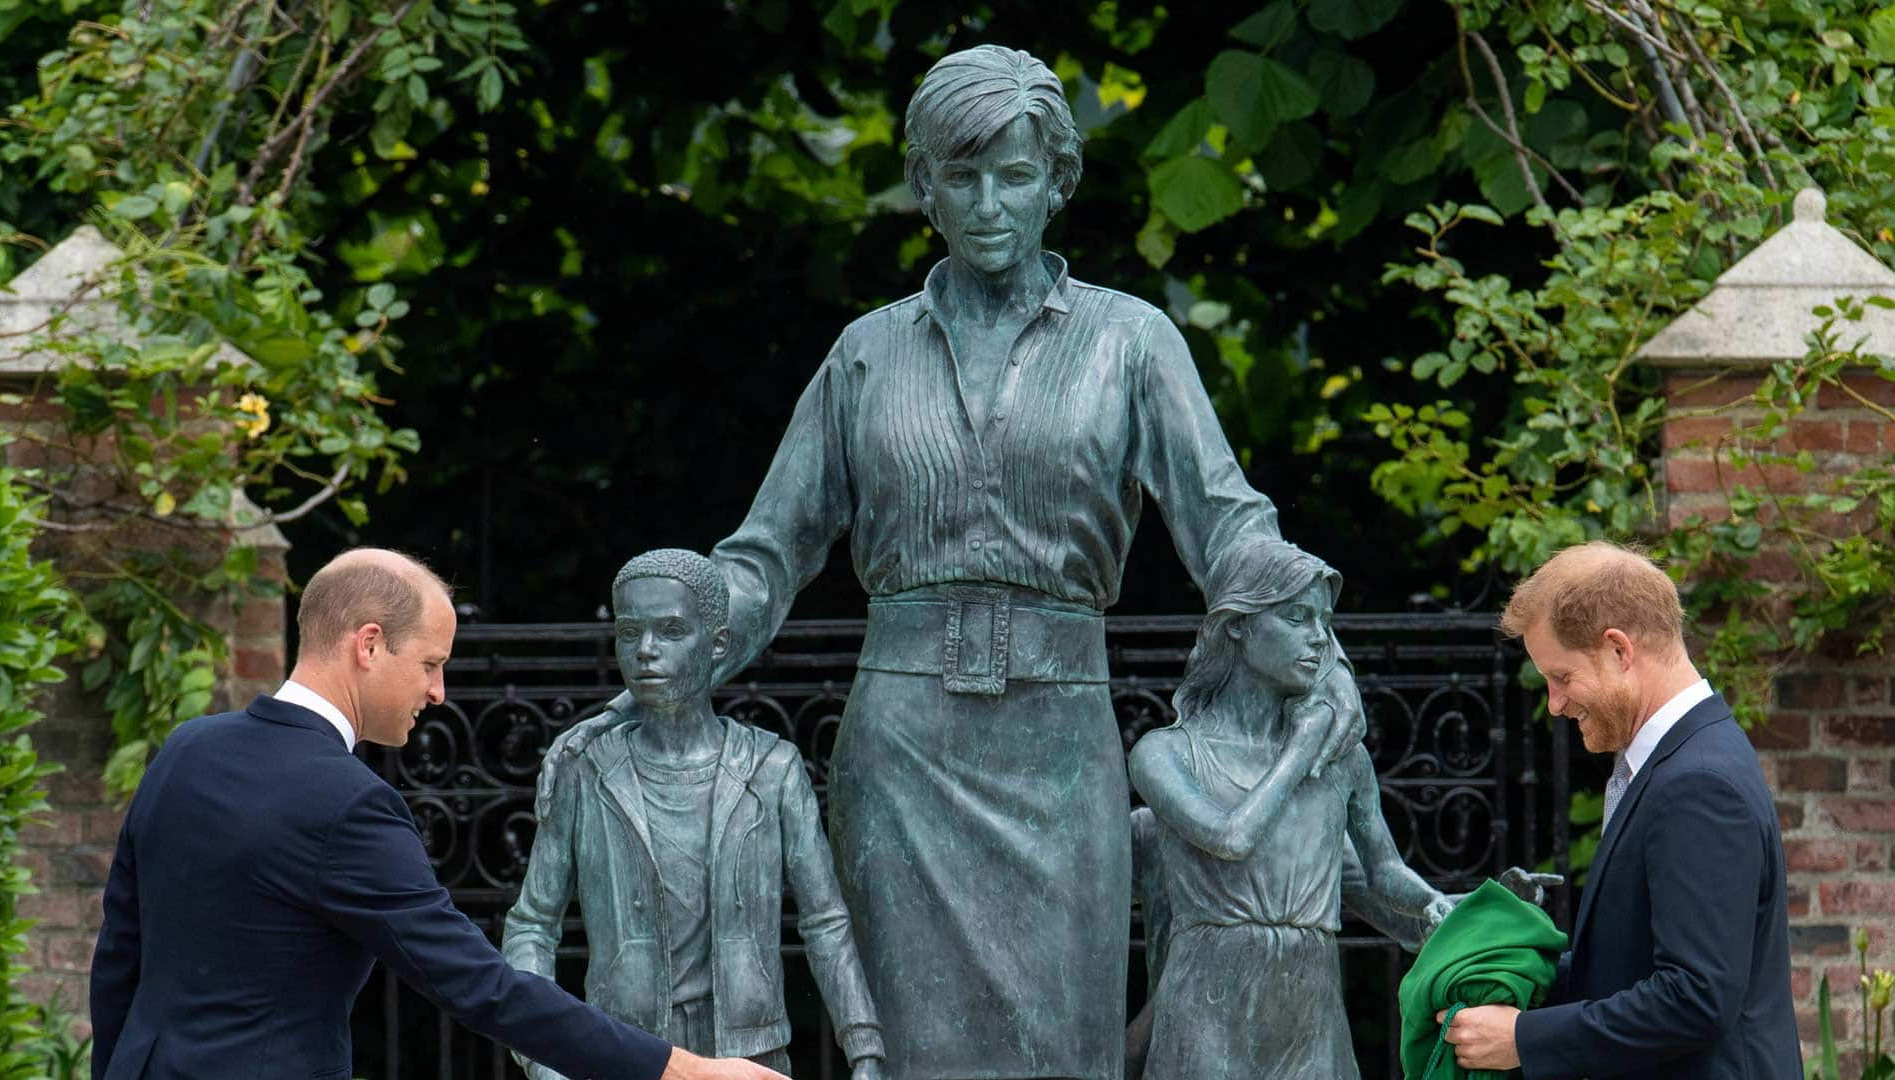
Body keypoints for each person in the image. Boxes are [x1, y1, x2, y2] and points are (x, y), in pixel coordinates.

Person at [548, 44, 1366, 1080]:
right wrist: (678, 644)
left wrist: (1309, 625)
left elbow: (1228, 528)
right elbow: (767, 555)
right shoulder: (865, 353)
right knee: (912, 1047)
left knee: (1067, 1046)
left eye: (1014, 176)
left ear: (1058, 182)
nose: (988, 204)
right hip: (905, 754)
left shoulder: (1132, 342)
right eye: (961, 177)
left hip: (1061, 739)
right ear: (923, 186)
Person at [88, 547, 785, 1080]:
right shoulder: (348, 804)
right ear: (367, 645)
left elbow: (121, 952)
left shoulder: (188, 749)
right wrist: (681, 1069)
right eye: (430, 663)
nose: (440, 691)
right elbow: (481, 986)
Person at [504, 550, 885, 1079]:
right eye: (629, 632)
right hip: (625, 1053)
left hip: (749, 1057)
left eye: (671, 630)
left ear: (718, 645)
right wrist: (541, 1058)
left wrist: (864, 1052)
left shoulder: (771, 769)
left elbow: (825, 923)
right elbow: (532, 926)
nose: (646, 652)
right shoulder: (585, 772)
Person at [1441, 540, 1799, 1078]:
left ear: (1618, 650)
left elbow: (1696, 997)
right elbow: (1631, 968)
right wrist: (1514, 975)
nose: (1555, 704)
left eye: (1561, 677)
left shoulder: (1698, 782)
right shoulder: (1677, 759)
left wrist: (1523, 1038)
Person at [1127, 537, 1452, 1080]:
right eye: (1297, 618)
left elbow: (1384, 872)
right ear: (1238, 625)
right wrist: (1299, 751)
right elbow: (1231, 840)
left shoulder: (1343, 760)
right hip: (1209, 1001)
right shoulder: (1164, 753)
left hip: (1309, 1002)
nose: (1320, 641)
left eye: (1324, 622)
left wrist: (1440, 904)